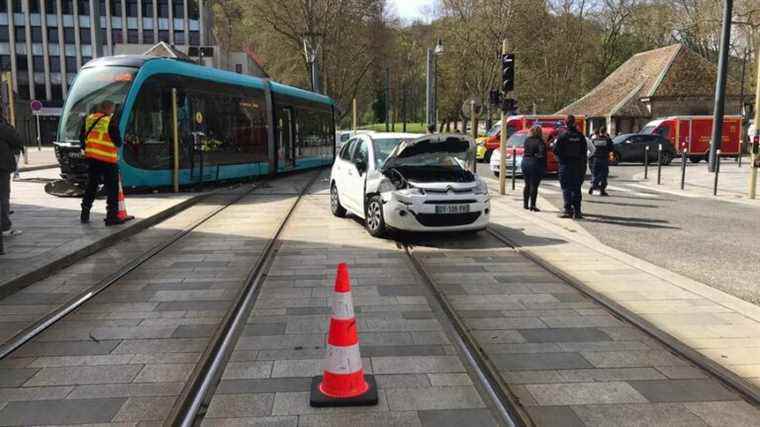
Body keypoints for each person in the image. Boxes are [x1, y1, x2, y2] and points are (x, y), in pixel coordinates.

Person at [79, 100, 126, 226]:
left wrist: (89, 149)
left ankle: (85, 213)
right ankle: (111, 217)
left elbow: (82, 138)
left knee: (91, 185)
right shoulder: (110, 121)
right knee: (112, 188)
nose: (113, 111)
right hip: (108, 160)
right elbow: (118, 141)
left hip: (92, 158)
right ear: (109, 109)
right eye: (112, 109)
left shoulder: (88, 119)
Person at [553, 115, 587, 219]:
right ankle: (577, 211)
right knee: (576, 188)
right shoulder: (580, 136)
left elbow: (555, 150)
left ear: (565, 123)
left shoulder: (562, 136)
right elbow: (584, 151)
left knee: (566, 188)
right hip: (578, 165)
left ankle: (567, 210)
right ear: (574, 123)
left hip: (565, 165)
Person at [0, 116, 23, 236]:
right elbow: (17, 141)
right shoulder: (4, 128)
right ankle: (5, 228)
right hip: (2, 167)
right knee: (3, 196)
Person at [521, 125, 546, 211]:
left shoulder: (527, 140)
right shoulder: (540, 141)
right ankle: (533, 205)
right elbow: (542, 154)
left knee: (527, 184)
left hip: (525, 162)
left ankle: (525, 204)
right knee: (534, 185)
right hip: (534, 163)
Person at [589, 127, 613, 196]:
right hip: (604, 159)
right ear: (605, 132)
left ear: (599, 131)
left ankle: (593, 185)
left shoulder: (594, 139)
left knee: (595, 173)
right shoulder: (608, 140)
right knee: (604, 175)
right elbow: (611, 149)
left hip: (595, 159)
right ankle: (601, 190)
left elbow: (591, 149)